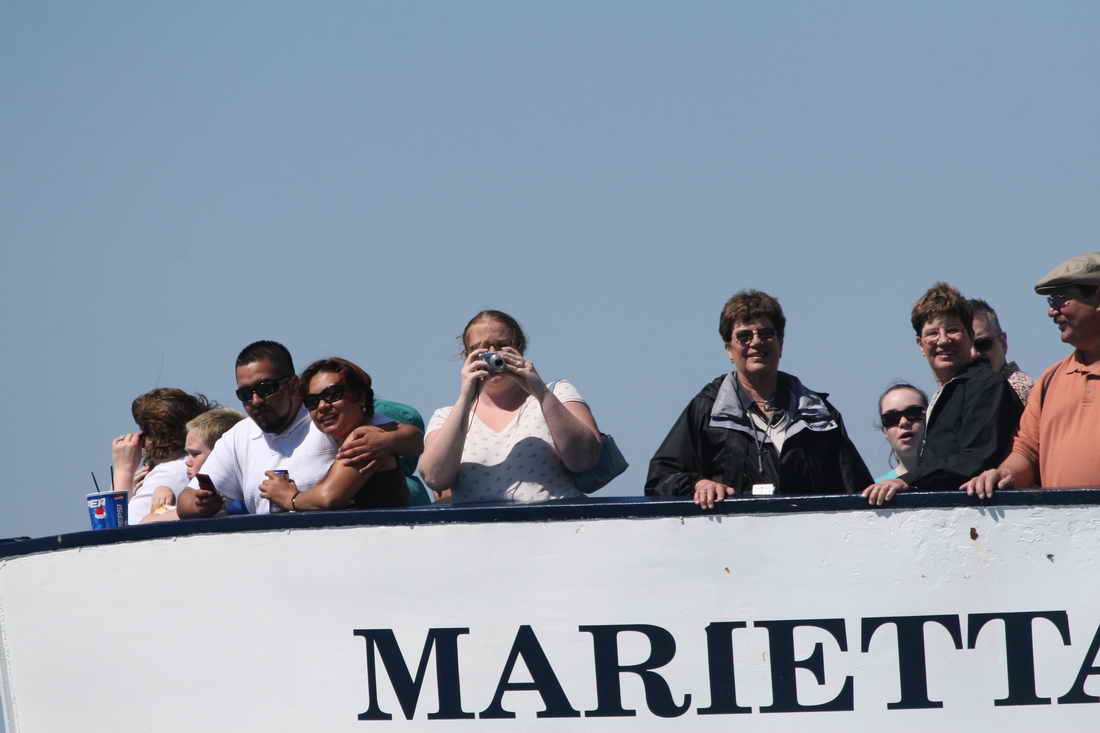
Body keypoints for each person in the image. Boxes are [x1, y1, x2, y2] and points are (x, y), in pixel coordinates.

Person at [646, 290, 871, 508]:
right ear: (728, 350)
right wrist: (698, 485)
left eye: (766, 334)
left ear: (781, 344)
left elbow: (859, 491)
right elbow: (660, 479)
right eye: (744, 336)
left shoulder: (820, 415)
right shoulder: (706, 409)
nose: (756, 342)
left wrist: (889, 488)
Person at [177, 341, 422, 517]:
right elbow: (186, 500)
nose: (256, 400)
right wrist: (199, 504)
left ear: (293, 386)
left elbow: (328, 498)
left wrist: (288, 497)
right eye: (245, 394)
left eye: (266, 388)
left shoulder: (356, 431)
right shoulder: (239, 436)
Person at [418, 310, 602, 504]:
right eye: (479, 350)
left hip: (554, 520)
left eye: (501, 346)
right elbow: (435, 478)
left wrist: (540, 392)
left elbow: (584, 459)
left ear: (519, 348)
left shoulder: (558, 393)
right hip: (479, 524)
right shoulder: (446, 416)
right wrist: (465, 398)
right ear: (467, 357)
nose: (492, 355)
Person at [863, 283, 1022, 505]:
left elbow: (976, 457)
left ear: (970, 337)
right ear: (920, 344)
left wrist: (906, 481)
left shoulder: (988, 385)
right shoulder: (946, 394)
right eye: (932, 333)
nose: (943, 340)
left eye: (953, 330)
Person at [962, 253, 1100, 496]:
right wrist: (1003, 474)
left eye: (1061, 300)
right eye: (1051, 302)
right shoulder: (1050, 380)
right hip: (1062, 520)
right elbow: (1027, 452)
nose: (1052, 312)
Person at [259, 357, 411, 510]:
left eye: (332, 395)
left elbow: (328, 498)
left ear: (360, 396)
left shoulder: (365, 438)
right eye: (312, 401)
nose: (322, 406)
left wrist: (289, 497)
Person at [111, 388, 213, 524]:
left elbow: (120, 528)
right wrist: (130, 489)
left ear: (161, 437)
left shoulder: (169, 471)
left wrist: (123, 471)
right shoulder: (182, 466)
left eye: (145, 433)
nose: (140, 441)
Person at [142, 408, 246, 522]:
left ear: (220, 454)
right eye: (187, 454)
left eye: (195, 454)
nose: (187, 461)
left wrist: (158, 511)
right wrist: (163, 491)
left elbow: (146, 522)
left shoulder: (234, 504)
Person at [968, 298, 1034, 406]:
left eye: (982, 344)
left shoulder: (1020, 392)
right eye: (965, 348)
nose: (973, 354)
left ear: (1003, 343)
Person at [874, 383, 929, 482]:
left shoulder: (954, 479)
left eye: (913, 413)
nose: (903, 422)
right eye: (891, 418)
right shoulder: (877, 488)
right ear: (884, 431)